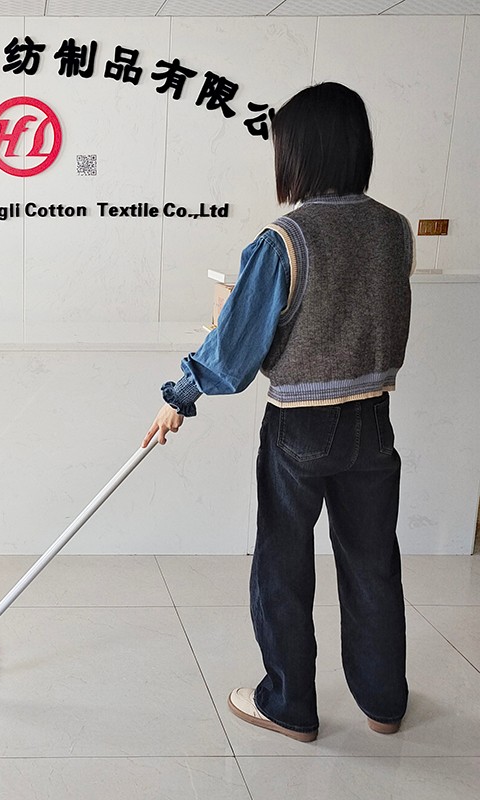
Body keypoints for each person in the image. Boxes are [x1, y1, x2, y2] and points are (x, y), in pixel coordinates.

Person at [143, 82, 413, 743]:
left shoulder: (284, 239)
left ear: (302, 152)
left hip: (301, 426)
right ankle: (384, 703)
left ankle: (289, 706)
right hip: (373, 420)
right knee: (373, 563)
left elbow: (234, 357)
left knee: (283, 565)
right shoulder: (393, 229)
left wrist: (180, 396)